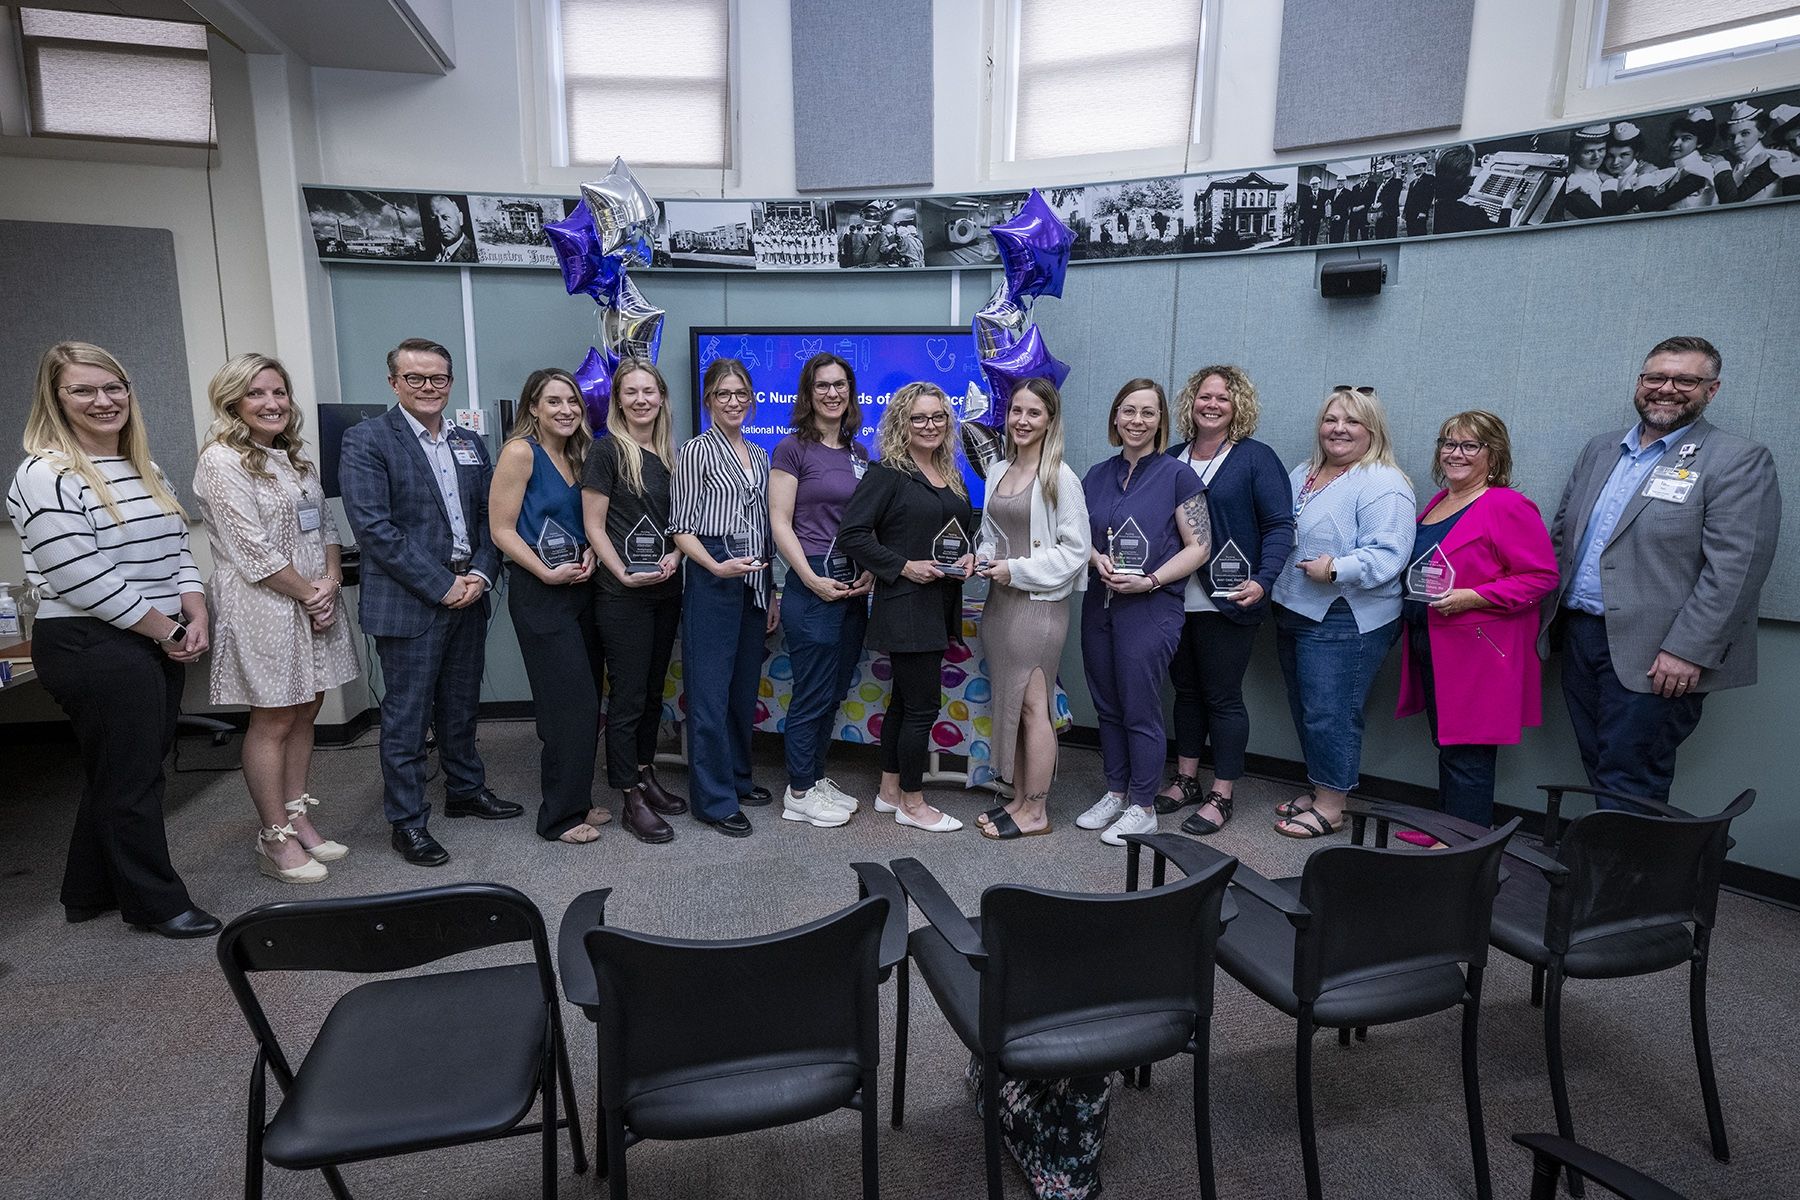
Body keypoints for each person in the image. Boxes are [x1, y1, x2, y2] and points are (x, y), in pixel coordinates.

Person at [6, 342, 217, 937]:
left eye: (113, 387)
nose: (103, 401)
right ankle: (155, 904)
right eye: (83, 390)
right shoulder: (44, 473)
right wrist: (168, 628)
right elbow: (82, 575)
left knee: (122, 769)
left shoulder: (144, 466)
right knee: (133, 780)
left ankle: (87, 889)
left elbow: (177, 550)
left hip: (151, 634)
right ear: (56, 399)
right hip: (87, 641)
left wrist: (193, 610)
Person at [1540, 336, 1782, 807]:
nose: (1666, 388)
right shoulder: (1601, 449)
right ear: (1639, 383)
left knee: (1631, 779)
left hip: (1660, 653)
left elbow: (1738, 568)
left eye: (1685, 380)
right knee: (1600, 768)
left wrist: (1687, 650)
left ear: (1711, 390)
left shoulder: (1736, 459)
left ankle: (1630, 879)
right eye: (1656, 377)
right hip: (1582, 637)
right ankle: (1606, 872)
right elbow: (1563, 535)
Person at [340, 337, 518, 868]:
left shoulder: (469, 442)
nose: (428, 388)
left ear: (451, 382)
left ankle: (465, 790)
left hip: (470, 595)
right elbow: (375, 529)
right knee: (407, 717)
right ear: (394, 383)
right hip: (412, 601)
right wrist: (443, 584)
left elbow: (492, 517)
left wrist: (482, 575)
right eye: (415, 378)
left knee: (462, 705)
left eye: (438, 378)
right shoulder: (367, 440)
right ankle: (407, 821)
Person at [193, 353, 357, 885]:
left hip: (312, 597)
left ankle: (299, 818)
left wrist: (329, 584)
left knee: (306, 708)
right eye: (257, 393)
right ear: (233, 402)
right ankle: (274, 838)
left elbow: (327, 528)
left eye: (279, 392)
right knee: (274, 718)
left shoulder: (294, 460)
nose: (272, 403)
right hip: (265, 604)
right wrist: (312, 594)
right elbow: (252, 550)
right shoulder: (221, 461)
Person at [1394, 412, 1557, 831]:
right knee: (1447, 742)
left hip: (1478, 651)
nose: (1456, 453)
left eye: (1470, 445)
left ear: (1494, 453)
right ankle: (1447, 827)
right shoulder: (1439, 501)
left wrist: (1474, 597)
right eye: (1449, 443)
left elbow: (1541, 577)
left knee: (1469, 753)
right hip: (1432, 641)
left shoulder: (1506, 504)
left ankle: (1465, 845)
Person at [1153, 365, 1294, 837]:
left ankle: (1222, 793)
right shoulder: (1172, 457)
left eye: (1223, 399)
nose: (1211, 405)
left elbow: (1279, 526)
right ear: (1191, 402)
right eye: (1204, 396)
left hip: (1231, 600)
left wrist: (1264, 579)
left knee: (1223, 697)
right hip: (1175, 599)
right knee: (1186, 692)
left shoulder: (1256, 458)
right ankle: (1187, 779)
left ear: (1238, 408)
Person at [1269, 386, 1415, 839]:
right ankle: (1319, 789)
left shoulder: (1383, 482)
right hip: (1294, 607)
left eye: (1352, 421)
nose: (1339, 429)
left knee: (1332, 711)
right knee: (1308, 707)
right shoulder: (1304, 473)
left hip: (1345, 614)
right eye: (1332, 419)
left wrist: (1336, 568)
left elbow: (1390, 555)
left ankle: (1332, 805)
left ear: (1372, 430)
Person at [1075, 379, 1210, 846]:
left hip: (1152, 605)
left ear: (1161, 421)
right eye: (1128, 410)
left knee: (1139, 706)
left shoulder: (1178, 476)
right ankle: (1115, 791)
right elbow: (1079, 537)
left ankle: (1143, 805)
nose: (1137, 420)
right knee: (1107, 704)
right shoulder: (1094, 475)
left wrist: (1150, 580)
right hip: (1100, 601)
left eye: (1148, 413)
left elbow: (1200, 547)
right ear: (1115, 417)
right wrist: (1096, 559)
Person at [838, 382, 974, 833]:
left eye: (938, 417)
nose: (930, 425)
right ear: (901, 422)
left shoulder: (949, 472)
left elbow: (951, 529)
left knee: (903, 703)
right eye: (919, 418)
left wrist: (968, 555)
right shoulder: (888, 472)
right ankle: (914, 805)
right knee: (921, 709)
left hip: (939, 603)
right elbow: (853, 535)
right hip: (906, 603)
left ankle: (890, 789)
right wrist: (903, 566)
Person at [488, 367, 611, 846]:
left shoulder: (579, 456)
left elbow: (586, 524)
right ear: (533, 408)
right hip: (542, 593)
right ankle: (557, 818)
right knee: (567, 706)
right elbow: (502, 530)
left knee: (585, 703)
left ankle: (575, 799)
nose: (566, 410)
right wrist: (543, 571)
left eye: (573, 403)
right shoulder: (521, 453)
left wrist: (588, 552)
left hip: (580, 587)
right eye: (554, 402)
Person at [972, 379, 1090, 840]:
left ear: (1050, 421)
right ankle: (1019, 800)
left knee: (1033, 708)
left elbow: (1074, 551)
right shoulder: (997, 469)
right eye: (1016, 411)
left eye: (1034, 413)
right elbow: (991, 535)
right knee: (1014, 706)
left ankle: (1036, 811)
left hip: (1037, 609)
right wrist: (981, 559)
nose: (1022, 421)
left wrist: (1015, 570)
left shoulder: (1061, 476)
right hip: (1000, 606)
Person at [582, 359, 688, 843]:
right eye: (631, 392)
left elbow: (679, 525)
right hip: (621, 594)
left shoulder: (670, 456)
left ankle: (645, 775)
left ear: (662, 397)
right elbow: (594, 526)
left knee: (651, 694)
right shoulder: (605, 453)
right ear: (618, 400)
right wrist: (620, 571)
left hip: (665, 591)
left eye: (650, 391)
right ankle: (628, 796)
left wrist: (674, 557)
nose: (641, 399)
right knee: (625, 699)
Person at [670, 358, 778, 837]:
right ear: (709, 400)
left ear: (751, 400)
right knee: (710, 694)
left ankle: (737, 777)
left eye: (741, 394)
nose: (733, 402)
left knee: (740, 692)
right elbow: (680, 528)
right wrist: (714, 566)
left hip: (754, 575)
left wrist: (770, 588)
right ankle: (713, 801)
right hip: (713, 572)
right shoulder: (696, 451)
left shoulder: (759, 455)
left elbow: (766, 528)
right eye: (723, 394)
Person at [769, 352, 875, 827]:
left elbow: (863, 524)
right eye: (822, 386)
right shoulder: (792, 449)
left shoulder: (859, 454)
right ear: (808, 394)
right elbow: (779, 521)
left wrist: (869, 568)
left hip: (852, 583)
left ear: (850, 392)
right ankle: (798, 791)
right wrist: (809, 578)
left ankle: (814, 776)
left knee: (833, 690)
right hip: (811, 578)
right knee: (811, 691)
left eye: (840, 385)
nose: (832, 393)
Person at [1633, 107, 1725, 211]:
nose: (1675, 144)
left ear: (1700, 142)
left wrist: (1644, 174)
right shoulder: (1677, 170)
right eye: (1673, 138)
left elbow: (1650, 207)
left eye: (1685, 139)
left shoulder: (1699, 171)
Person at [1716, 101, 1793, 203]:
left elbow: (1733, 202)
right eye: (1731, 137)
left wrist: (1721, 165)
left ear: (1762, 132)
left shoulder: (1774, 159)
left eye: (1745, 133)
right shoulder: (1736, 166)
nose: (1736, 141)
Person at [1559, 124, 1621, 220]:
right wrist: (1610, 182)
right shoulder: (1573, 187)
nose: (1596, 157)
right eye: (1588, 152)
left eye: (1601, 150)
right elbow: (1610, 222)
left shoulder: (1601, 172)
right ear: (1574, 153)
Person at [427, 194, 477, 263]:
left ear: (460, 218)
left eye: (445, 218)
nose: (441, 226)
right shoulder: (429, 253)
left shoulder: (476, 253)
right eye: (434, 219)